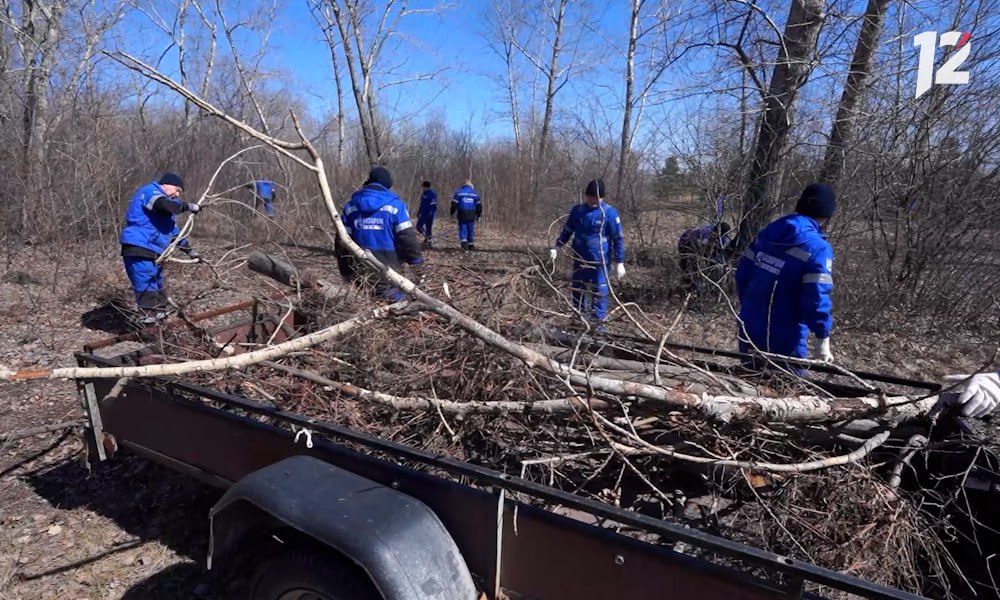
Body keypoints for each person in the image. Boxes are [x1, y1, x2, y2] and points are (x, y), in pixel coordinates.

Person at [735, 183, 835, 373]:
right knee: (788, 387)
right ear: (826, 214)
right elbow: (816, 296)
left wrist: (750, 306)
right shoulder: (818, 248)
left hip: (749, 324)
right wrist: (822, 337)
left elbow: (742, 274)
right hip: (786, 332)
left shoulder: (767, 233)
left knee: (747, 382)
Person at [119, 172, 202, 323]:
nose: (177, 194)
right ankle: (149, 321)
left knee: (157, 284)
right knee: (145, 282)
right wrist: (188, 206)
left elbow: (174, 234)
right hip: (140, 245)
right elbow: (163, 204)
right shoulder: (150, 192)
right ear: (166, 184)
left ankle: (160, 320)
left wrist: (191, 252)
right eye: (177, 190)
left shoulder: (166, 213)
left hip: (154, 250)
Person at [337, 167, 424, 301]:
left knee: (365, 304)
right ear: (387, 184)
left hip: (361, 271)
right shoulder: (396, 206)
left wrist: (345, 271)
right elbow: (407, 237)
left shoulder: (350, 207)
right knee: (395, 304)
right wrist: (416, 260)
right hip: (390, 270)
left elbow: (341, 242)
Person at [549, 179, 626, 325]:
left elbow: (618, 238)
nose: (593, 200)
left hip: (600, 262)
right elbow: (567, 231)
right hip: (580, 260)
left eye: (597, 198)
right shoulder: (578, 211)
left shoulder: (609, 213)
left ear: (602, 197)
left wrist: (620, 261)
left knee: (599, 293)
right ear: (586, 195)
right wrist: (557, 247)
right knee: (578, 290)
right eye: (591, 197)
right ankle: (579, 321)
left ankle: (597, 325)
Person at [677, 222, 734, 295]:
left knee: (712, 262)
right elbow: (701, 246)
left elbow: (723, 246)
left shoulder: (723, 237)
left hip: (701, 246)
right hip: (685, 243)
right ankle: (687, 283)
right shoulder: (705, 232)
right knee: (688, 265)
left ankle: (710, 282)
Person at [450, 180, 482, 250]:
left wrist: (452, 213)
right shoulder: (475, 194)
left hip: (462, 212)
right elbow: (479, 205)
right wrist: (479, 215)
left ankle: (464, 243)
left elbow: (454, 204)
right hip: (472, 212)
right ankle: (471, 244)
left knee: (463, 227)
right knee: (470, 228)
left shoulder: (459, 193)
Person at [416, 180, 437, 248]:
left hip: (429, 214)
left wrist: (431, 213)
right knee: (418, 226)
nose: (422, 188)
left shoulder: (432, 194)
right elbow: (421, 205)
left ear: (426, 187)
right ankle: (427, 237)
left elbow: (433, 205)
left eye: (423, 187)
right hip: (423, 213)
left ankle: (429, 242)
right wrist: (419, 212)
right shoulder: (423, 194)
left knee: (428, 227)